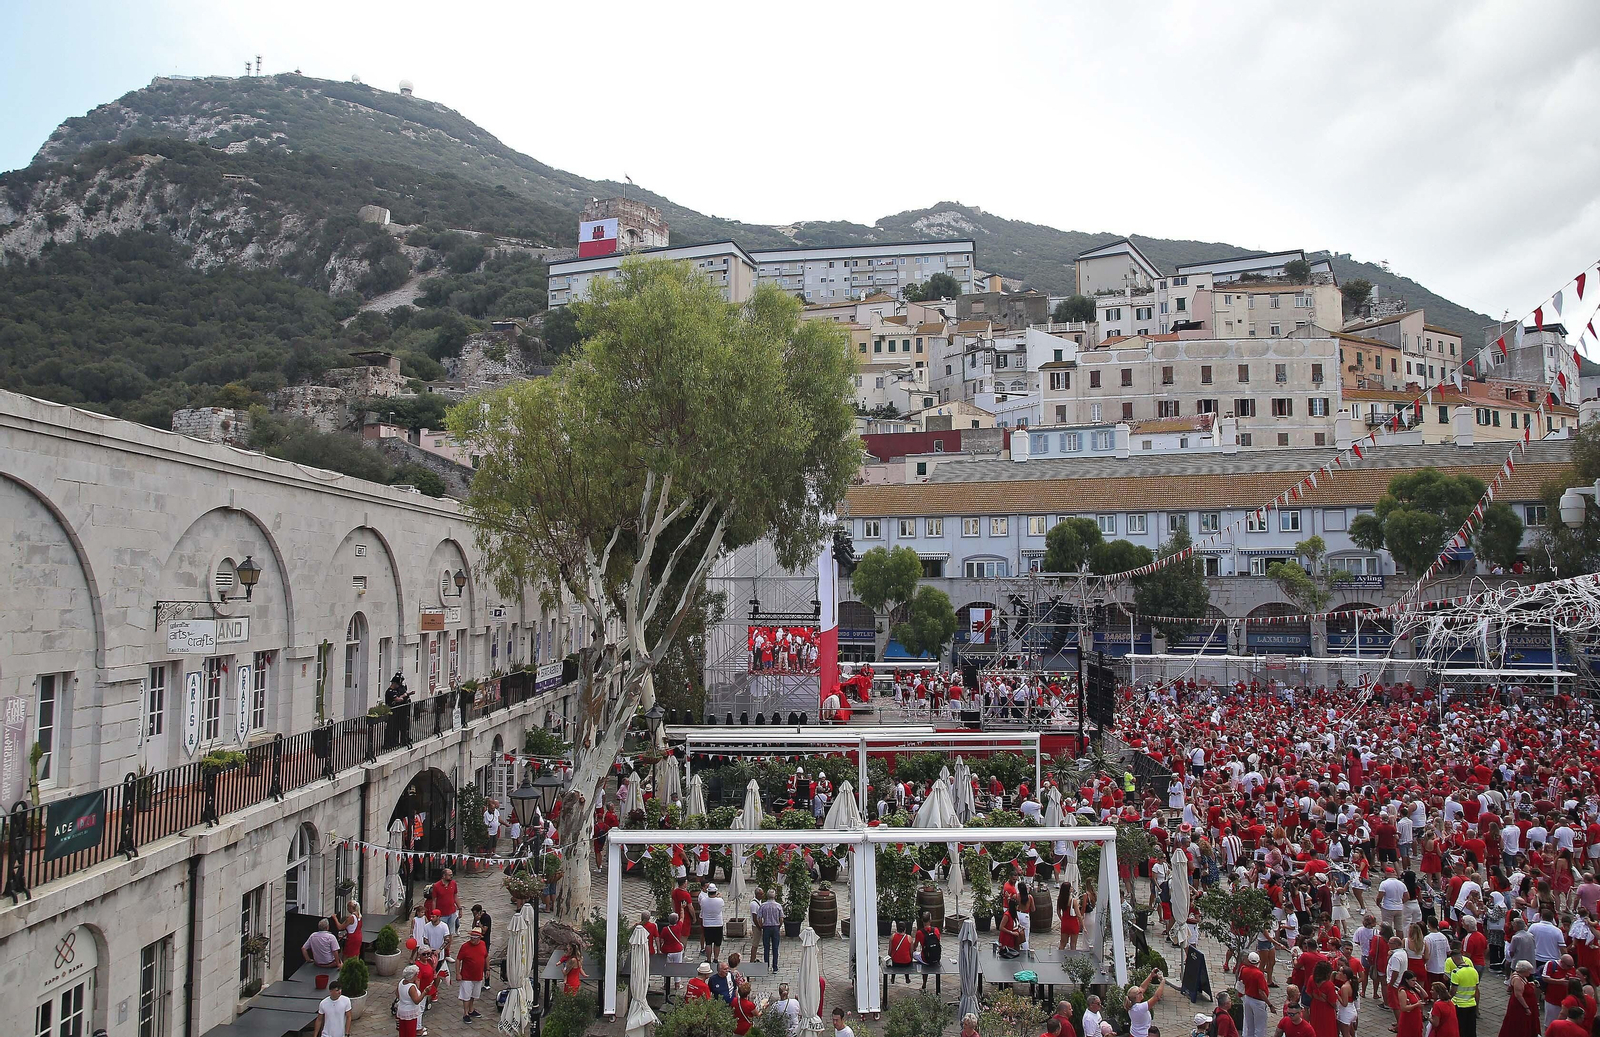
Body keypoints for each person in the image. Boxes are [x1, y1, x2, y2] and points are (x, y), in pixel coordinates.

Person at [455, 927, 488, 1023]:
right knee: (466, 995)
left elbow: (486, 956)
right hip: (466, 976)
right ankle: (465, 1013)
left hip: (478, 975)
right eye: (471, 938)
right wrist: (458, 973)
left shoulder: (483, 944)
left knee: (474, 994)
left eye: (474, 938)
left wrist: (487, 969)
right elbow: (458, 960)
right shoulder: (465, 946)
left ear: (479, 938)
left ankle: (471, 1009)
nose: (472, 940)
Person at [1444, 946, 1478, 1037]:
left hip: (1459, 1005)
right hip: (1472, 1003)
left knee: (1460, 1029)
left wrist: (1447, 998)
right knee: (1471, 1029)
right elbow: (1476, 989)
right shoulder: (1474, 971)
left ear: (1454, 959)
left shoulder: (1456, 972)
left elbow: (1453, 991)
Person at [1240, 951, 1275, 1037]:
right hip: (1258, 1002)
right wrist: (1270, 1005)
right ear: (1259, 962)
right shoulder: (1259, 974)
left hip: (1248, 998)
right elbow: (1261, 992)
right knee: (1260, 1028)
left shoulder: (1244, 969)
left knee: (1250, 1026)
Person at [1129, 970, 1164, 1037]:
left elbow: (1142, 987)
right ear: (1136, 997)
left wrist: (1151, 976)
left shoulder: (1131, 1004)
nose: (1141, 991)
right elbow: (1156, 997)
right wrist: (1162, 981)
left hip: (1133, 1034)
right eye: (1139, 992)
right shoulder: (1140, 1008)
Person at [1307, 962, 1337, 1037]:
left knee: (1315, 1026)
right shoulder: (1329, 985)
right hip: (1326, 1010)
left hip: (1315, 1006)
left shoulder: (1311, 979)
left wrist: (1316, 996)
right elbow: (1332, 1002)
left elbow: (1309, 993)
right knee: (1327, 1029)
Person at [757, 888, 784, 972]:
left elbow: (759, 918)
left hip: (766, 927)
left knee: (766, 948)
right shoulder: (778, 906)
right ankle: (775, 967)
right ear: (775, 896)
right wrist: (779, 926)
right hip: (775, 927)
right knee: (775, 948)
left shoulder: (763, 906)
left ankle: (766, 966)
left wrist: (761, 925)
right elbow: (781, 918)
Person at [396, 964, 426, 1037]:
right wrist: (424, 992)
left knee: (403, 1032)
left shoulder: (401, 981)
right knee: (410, 1033)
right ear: (413, 976)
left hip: (402, 1010)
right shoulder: (411, 987)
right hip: (410, 1012)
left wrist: (404, 1000)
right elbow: (416, 1001)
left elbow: (397, 993)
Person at [699, 882, 725, 962]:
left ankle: (708, 959)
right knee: (717, 943)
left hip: (707, 924)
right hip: (718, 924)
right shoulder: (720, 901)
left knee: (708, 943)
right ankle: (716, 958)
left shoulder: (703, 900)